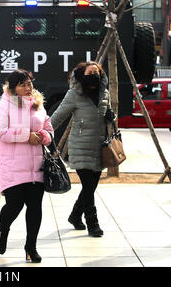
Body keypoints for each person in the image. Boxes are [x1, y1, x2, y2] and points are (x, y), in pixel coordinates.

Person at [0, 69, 54, 263]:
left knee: (35, 208)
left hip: (37, 167)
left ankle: (31, 248)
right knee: (14, 205)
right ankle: (4, 228)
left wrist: (43, 137)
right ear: (13, 88)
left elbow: (49, 131)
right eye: (23, 84)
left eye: (30, 83)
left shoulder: (38, 105)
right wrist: (26, 135)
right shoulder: (5, 104)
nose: (28, 88)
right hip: (13, 168)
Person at [50, 61, 116, 238]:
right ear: (81, 75)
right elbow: (58, 116)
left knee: (90, 187)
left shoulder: (104, 93)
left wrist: (111, 116)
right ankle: (92, 223)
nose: (94, 74)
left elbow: (108, 113)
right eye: (90, 72)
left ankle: (74, 215)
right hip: (80, 145)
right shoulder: (74, 94)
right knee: (88, 186)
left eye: (97, 72)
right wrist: (43, 133)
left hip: (99, 146)